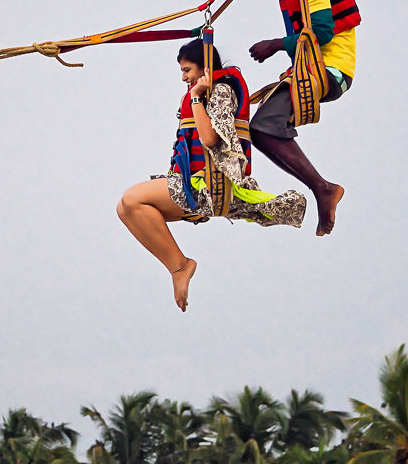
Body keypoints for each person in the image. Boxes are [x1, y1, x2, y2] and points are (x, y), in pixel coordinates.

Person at [117, 39, 306, 312]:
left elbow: (209, 138)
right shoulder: (208, 91)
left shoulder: (219, 92)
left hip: (211, 186)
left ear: (204, 68)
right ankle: (178, 266)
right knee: (126, 209)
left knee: (132, 199)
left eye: (187, 70)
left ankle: (180, 267)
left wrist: (196, 96)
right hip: (193, 183)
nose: (184, 77)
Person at [248, 0, 362, 237]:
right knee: (260, 128)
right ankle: (321, 187)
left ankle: (322, 188)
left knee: (264, 126)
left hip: (325, 72)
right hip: (335, 73)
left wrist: (275, 45)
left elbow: (322, 31)